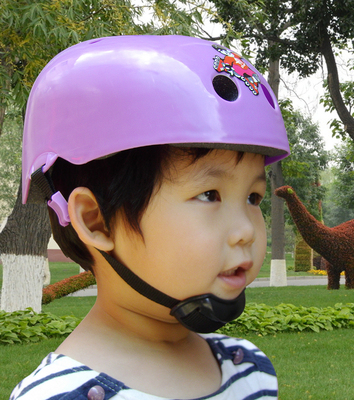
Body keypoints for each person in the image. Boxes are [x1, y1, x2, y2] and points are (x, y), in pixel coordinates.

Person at [10, 35, 290, 400]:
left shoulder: (249, 368)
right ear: (95, 220)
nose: (246, 231)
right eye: (209, 195)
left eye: (253, 198)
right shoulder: (59, 395)